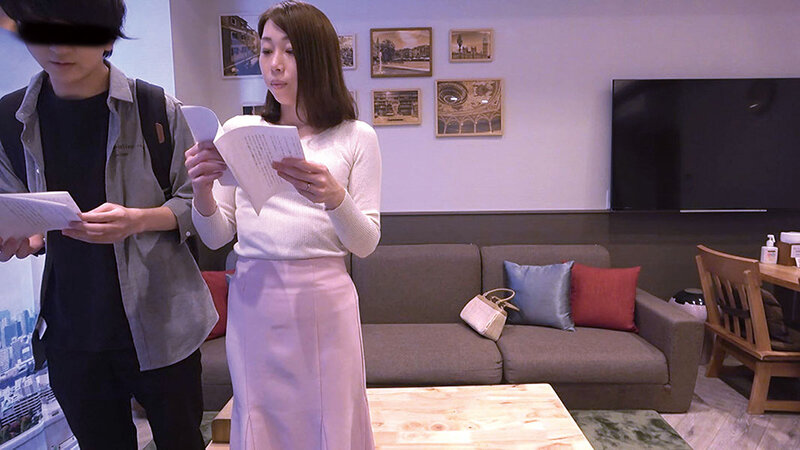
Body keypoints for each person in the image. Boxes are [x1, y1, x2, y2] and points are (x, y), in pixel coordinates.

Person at [0, 1, 217, 449]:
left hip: (163, 325)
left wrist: (136, 220)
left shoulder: (155, 108)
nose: (58, 46)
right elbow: (20, 214)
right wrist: (23, 237)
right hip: (72, 332)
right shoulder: (9, 120)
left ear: (107, 35)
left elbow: (192, 205)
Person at [184, 1, 381, 449]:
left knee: (331, 413)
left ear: (319, 58)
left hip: (324, 298)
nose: (274, 64)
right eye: (267, 49)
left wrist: (334, 197)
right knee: (259, 414)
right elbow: (217, 235)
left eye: (289, 51)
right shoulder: (240, 130)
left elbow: (366, 242)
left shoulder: (355, 136)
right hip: (253, 296)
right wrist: (201, 189)